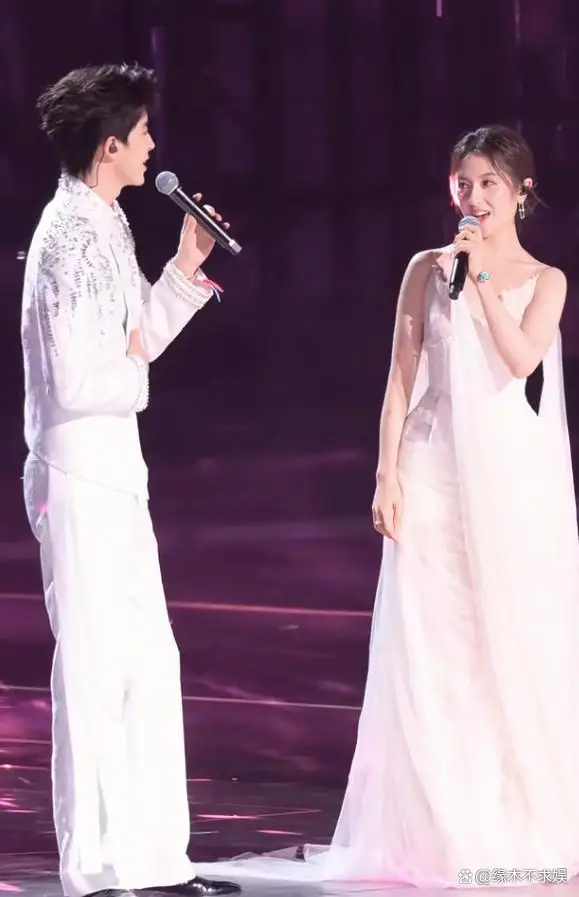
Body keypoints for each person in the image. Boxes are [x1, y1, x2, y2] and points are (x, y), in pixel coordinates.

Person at [196, 125, 579, 887]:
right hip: (432, 469)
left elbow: (519, 358)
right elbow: (401, 378)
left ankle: (511, 816)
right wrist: (386, 473)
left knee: (506, 640)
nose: (472, 197)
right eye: (462, 182)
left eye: (488, 184)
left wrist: (477, 280)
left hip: (510, 485)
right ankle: (439, 827)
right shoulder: (423, 269)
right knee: (434, 646)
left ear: (520, 192)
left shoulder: (546, 279)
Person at [21, 63, 241, 897]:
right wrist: (137, 373)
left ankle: (154, 861)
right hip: (76, 470)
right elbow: (80, 380)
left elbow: (136, 335)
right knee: (93, 665)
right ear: (109, 145)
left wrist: (184, 268)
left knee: (147, 658)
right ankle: (96, 869)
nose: (153, 146)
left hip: (115, 467)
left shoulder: (106, 220)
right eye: (143, 132)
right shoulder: (66, 236)